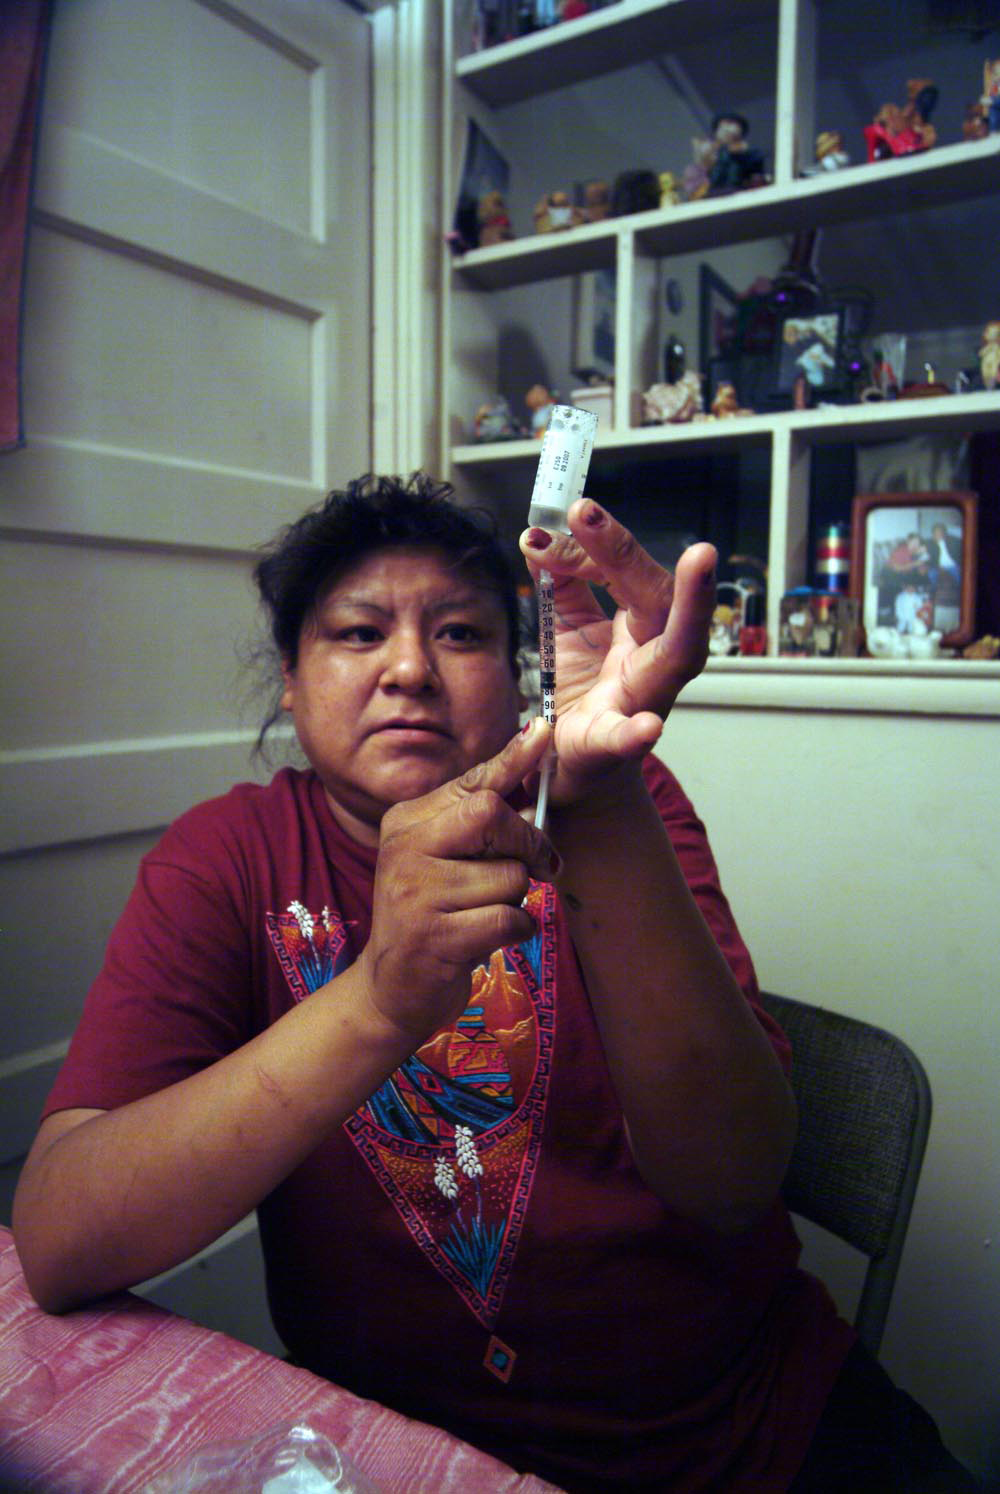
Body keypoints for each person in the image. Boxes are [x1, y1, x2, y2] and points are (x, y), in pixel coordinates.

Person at [12, 475, 975, 1492]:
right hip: (399, 1454)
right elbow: (63, 1241)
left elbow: (733, 1182)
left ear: (516, 679)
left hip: (749, 1434)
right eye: (358, 633)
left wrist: (597, 802)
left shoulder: (620, 800)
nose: (409, 671)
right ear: (290, 677)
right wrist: (379, 999)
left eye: (462, 634)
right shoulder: (230, 859)